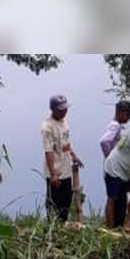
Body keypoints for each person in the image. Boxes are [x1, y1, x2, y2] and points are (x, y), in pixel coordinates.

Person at [41, 94, 83, 222]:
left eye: (65, 108)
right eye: (60, 109)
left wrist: (73, 156)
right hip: (55, 171)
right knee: (54, 202)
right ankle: (53, 228)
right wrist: (53, 174)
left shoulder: (64, 122)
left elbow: (66, 143)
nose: (64, 111)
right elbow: (48, 151)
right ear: (53, 109)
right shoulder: (47, 127)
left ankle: (63, 225)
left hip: (66, 168)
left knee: (66, 201)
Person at [99, 100, 130, 227]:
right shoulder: (114, 126)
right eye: (127, 115)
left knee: (124, 196)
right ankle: (110, 226)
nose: (128, 118)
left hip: (119, 169)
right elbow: (104, 141)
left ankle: (122, 224)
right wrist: (110, 156)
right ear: (121, 112)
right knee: (113, 198)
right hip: (113, 169)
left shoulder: (117, 126)